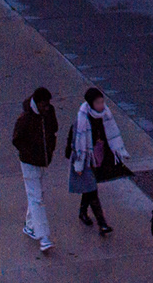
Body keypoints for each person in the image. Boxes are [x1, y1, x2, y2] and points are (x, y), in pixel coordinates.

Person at [68, 84, 128, 235]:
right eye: (98, 103)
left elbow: (111, 135)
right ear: (90, 103)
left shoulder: (106, 115)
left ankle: (82, 212)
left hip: (99, 156)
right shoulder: (82, 120)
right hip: (86, 159)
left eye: (102, 102)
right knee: (92, 189)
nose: (102, 105)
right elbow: (76, 144)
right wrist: (79, 164)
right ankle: (102, 224)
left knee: (89, 187)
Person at [11, 85, 58, 254]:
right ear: (36, 103)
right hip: (30, 163)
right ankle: (43, 237)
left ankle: (30, 226)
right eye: (43, 105)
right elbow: (17, 140)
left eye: (47, 104)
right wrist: (31, 153)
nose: (46, 108)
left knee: (37, 195)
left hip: (43, 161)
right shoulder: (25, 119)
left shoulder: (49, 112)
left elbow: (54, 129)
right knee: (37, 197)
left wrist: (49, 149)